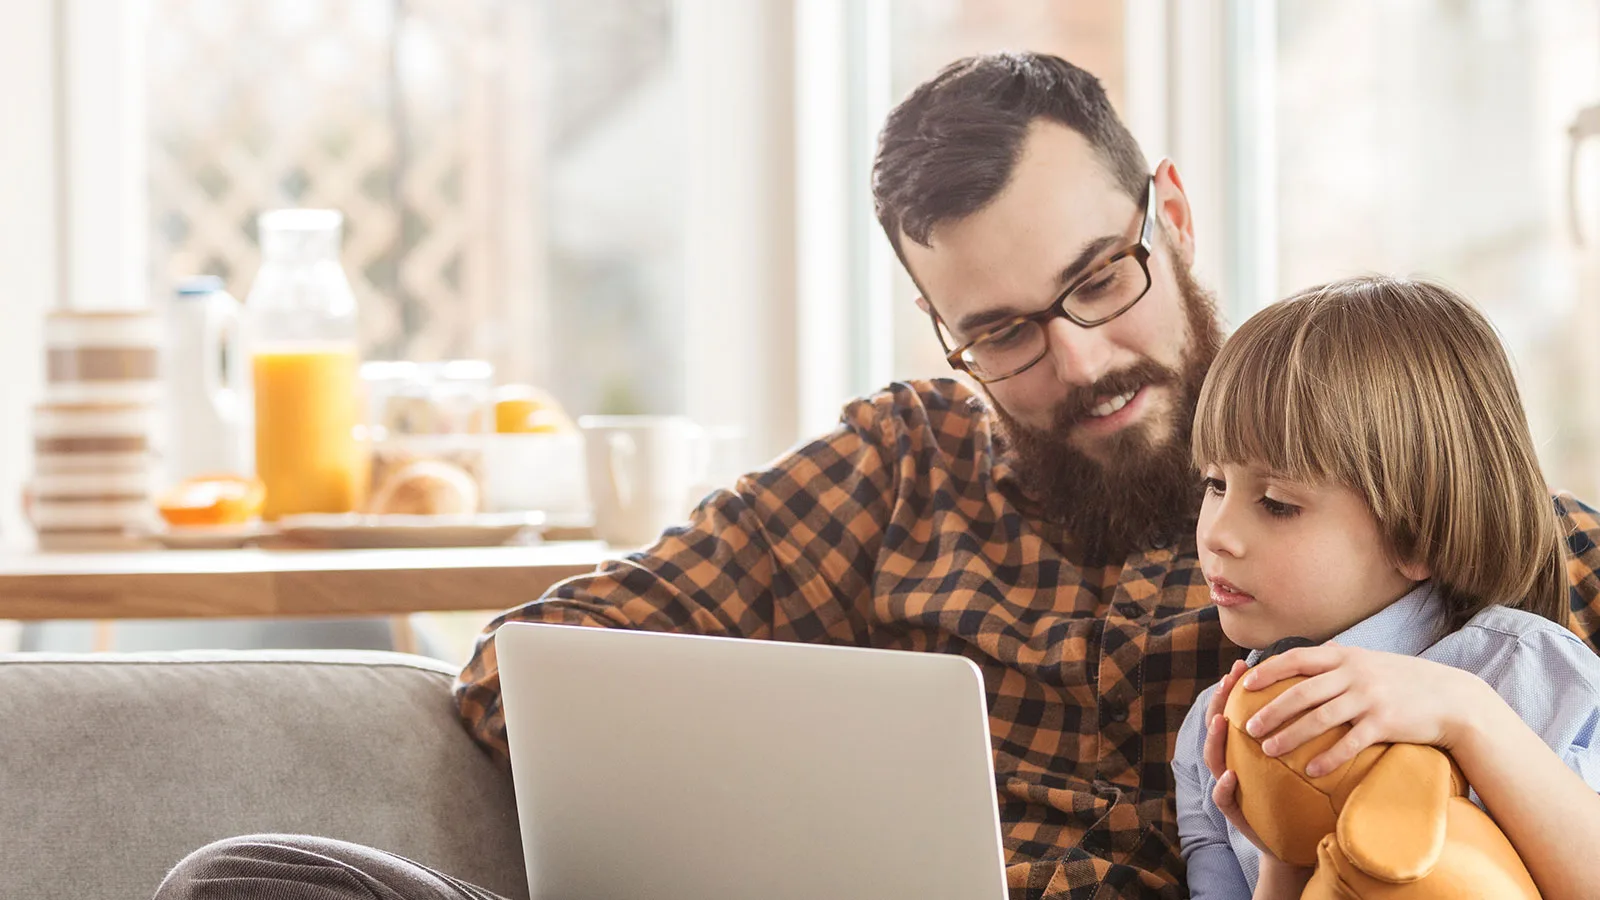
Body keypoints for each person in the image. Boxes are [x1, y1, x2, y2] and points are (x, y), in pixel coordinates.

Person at [153, 53, 1600, 900]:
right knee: (252, 882)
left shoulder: (1360, 468)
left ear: (1168, 212)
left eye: (1101, 278)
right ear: (939, 328)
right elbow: (529, 671)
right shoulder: (898, 469)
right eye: (1004, 331)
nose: (1080, 360)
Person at [1172, 277, 1600, 900]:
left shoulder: (1529, 668)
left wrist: (1469, 717)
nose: (1217, 534)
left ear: (1417, 535)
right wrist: (1282, 856)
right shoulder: (1209, 737)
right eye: (1214, 484)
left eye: (1277, 503)